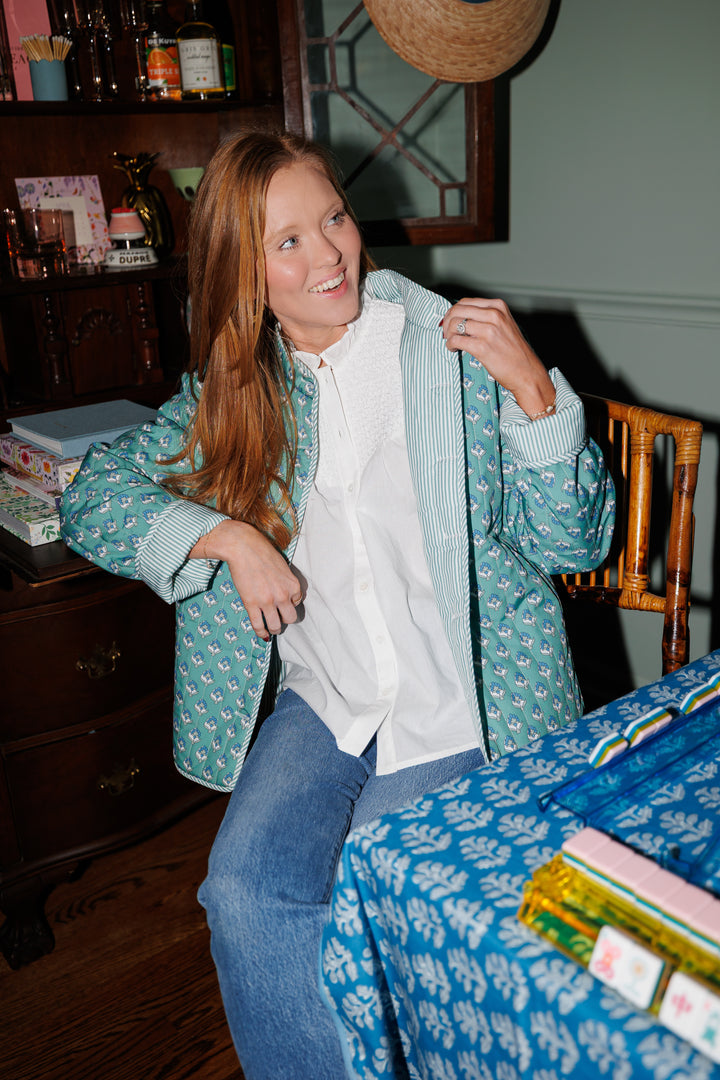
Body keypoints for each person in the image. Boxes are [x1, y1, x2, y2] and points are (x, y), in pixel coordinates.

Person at [61, 131, 615, 1079]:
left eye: (335, 219)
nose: (329, 256)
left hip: (468, 705)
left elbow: (576, 544)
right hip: (328, 702)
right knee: (241, 892)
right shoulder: (235, 396)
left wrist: (535, 395)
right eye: (287, 242)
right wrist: (225, 537)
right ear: (243, 272)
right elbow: (87, 496)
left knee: (369, 888)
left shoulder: (450, 357)